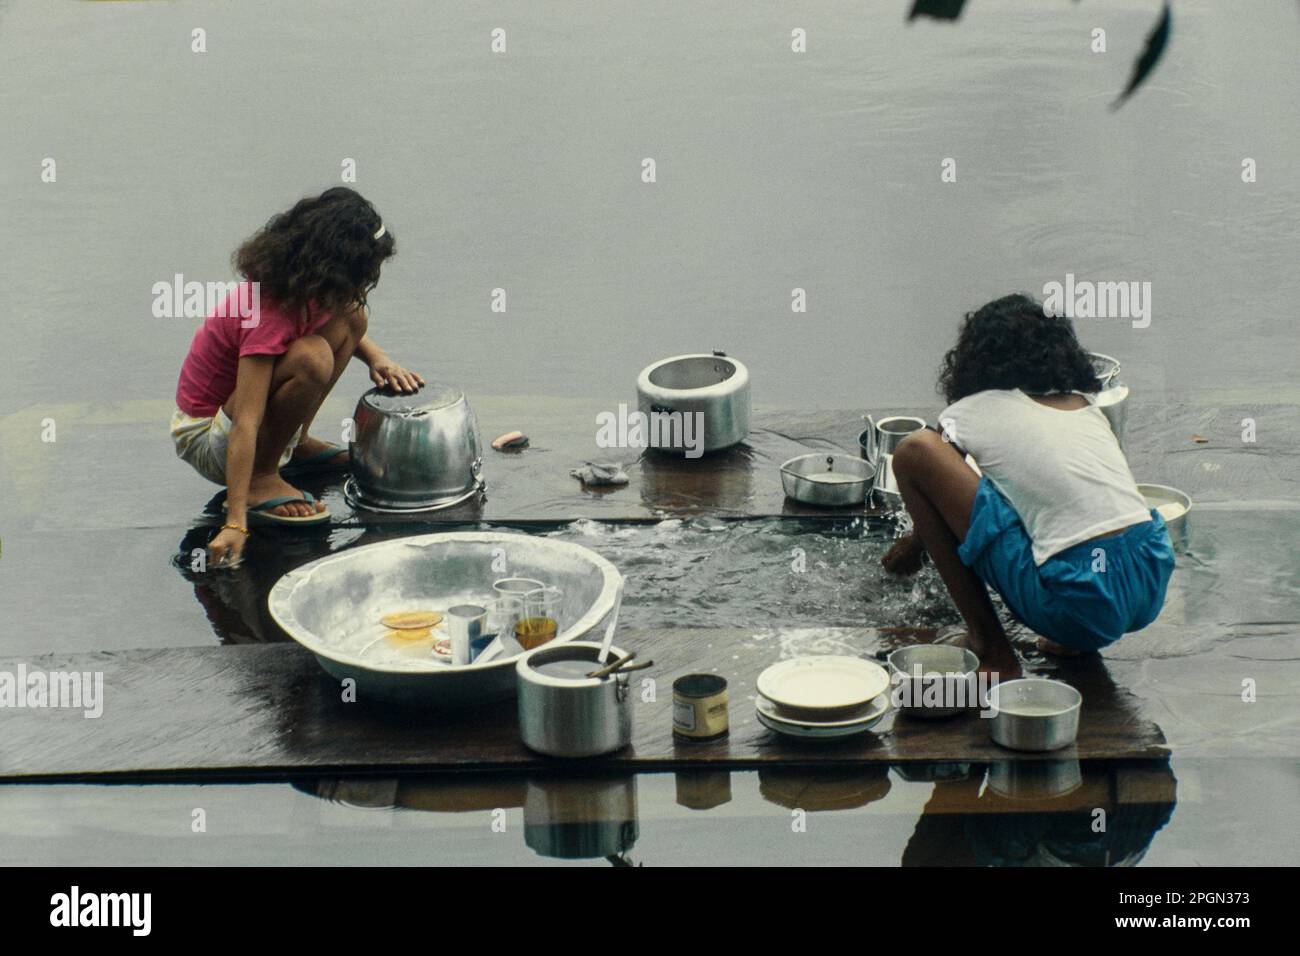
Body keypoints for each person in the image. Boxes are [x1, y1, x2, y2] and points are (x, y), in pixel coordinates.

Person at [882, 293, 1174, 674]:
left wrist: (913, 549)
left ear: (973, 360)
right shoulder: (1082, 404)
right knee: (1039, 502)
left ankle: (992, 651)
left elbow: (938, 497)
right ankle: (1076, 639)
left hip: (1077, 598)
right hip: (1150, 572)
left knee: (916, 450)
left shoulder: (967, 412)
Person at [171, 187, 424, 568]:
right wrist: (236, 522)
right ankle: (262, 476)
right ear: (333, 269)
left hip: (239, 425)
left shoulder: (307, 287)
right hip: (210, 439)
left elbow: (348, 320)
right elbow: (247, 421)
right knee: (312, 357)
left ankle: (294, 441)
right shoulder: (265, 313)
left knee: (352, 316)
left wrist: (378, 357)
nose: (364, 284)